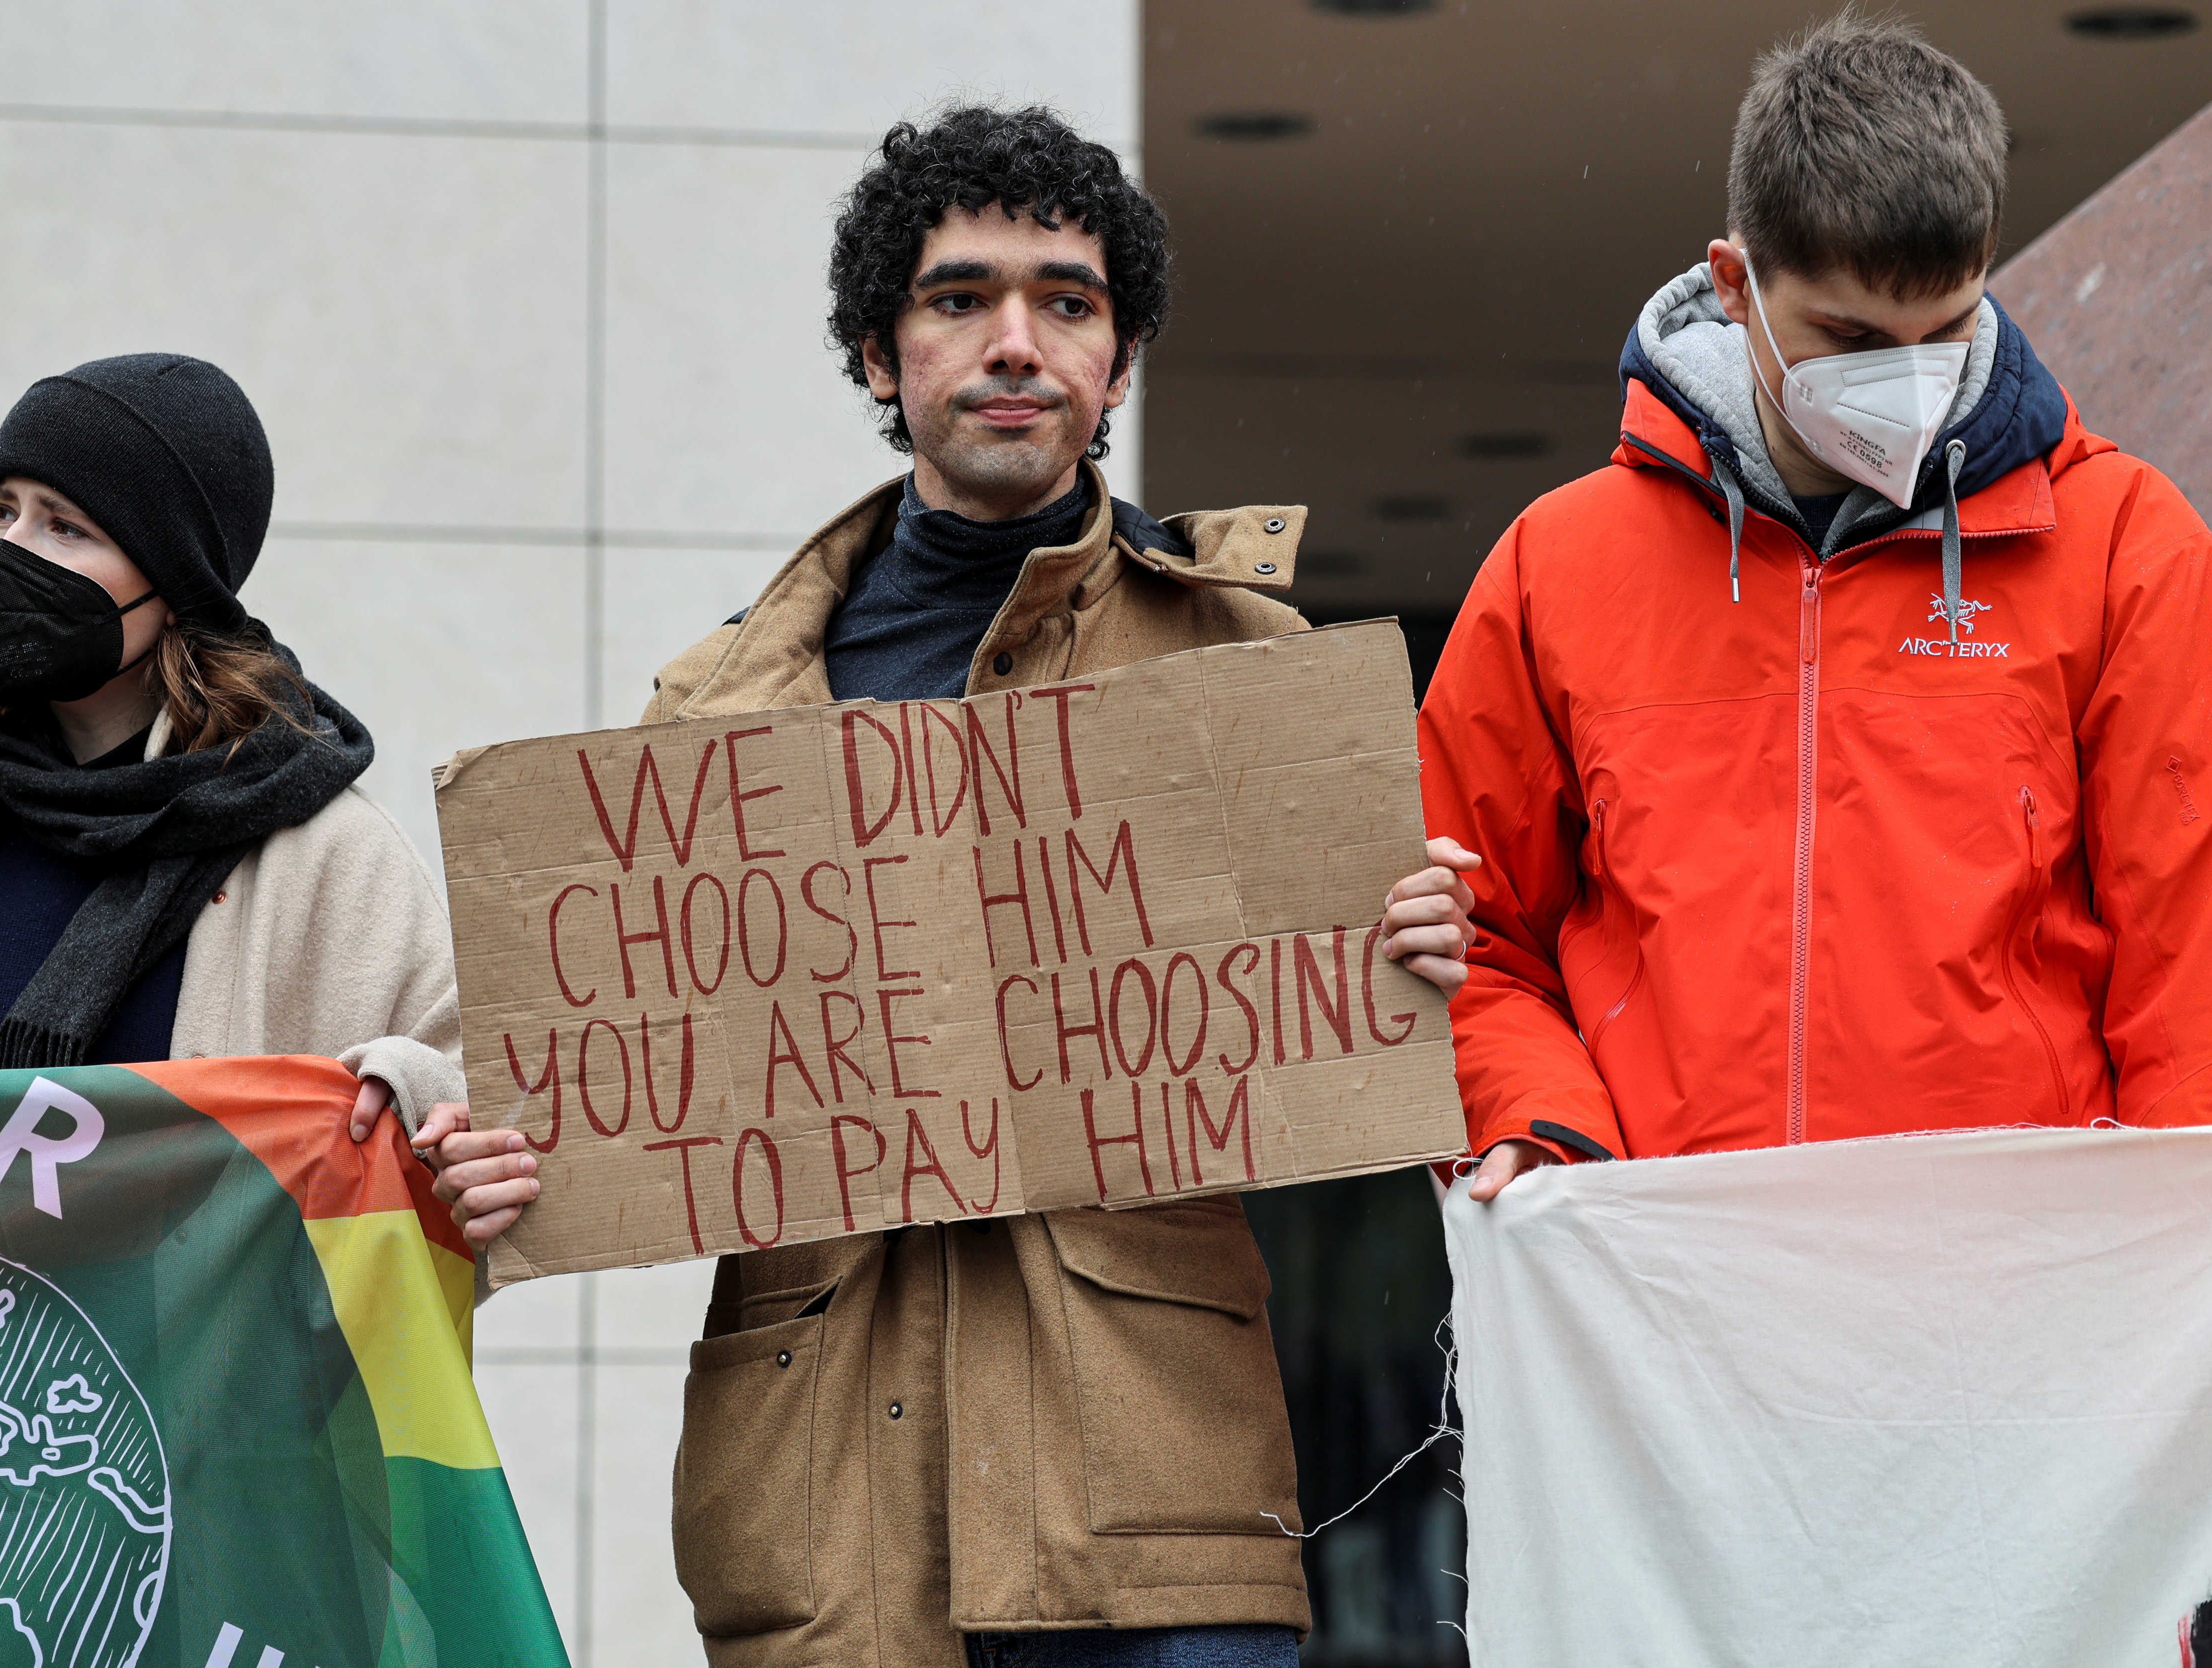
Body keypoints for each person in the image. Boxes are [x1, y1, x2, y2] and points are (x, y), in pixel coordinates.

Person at [417, 105, 1477, 1666]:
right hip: (828, 1515)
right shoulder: (712, 718)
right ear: (875, 352)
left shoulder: (1248, 677)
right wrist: (503, 1161)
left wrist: (1425, 955)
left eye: (1068, 301)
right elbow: (605, 1096)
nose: (1015, 343)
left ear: (1118, 363)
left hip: (1150, 1520)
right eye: (959, 297)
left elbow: (1366, 1062)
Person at [1418, 13, 2212, 1202]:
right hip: (1671, 1293)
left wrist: (2166, 1265)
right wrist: (1542, 1128)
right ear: (1734, 283)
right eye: (1848, 336)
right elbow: (1465, 935)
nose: (1904, 380)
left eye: (1944, 332)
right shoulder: (1557, 566)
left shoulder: (2124, 549)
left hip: (2018, 1304)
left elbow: (2189, 963)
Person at [0, 353, 460, 1137]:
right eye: (3, 511)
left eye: (64, 525)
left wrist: (423, 1109)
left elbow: (474, 1104)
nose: (5, 552)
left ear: (177, 587)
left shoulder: (326, 855)